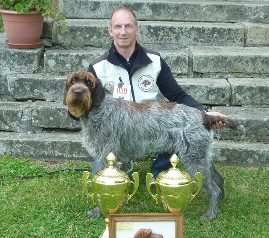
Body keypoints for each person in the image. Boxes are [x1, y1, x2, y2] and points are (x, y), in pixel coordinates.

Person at [87, 6, 227, 178]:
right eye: (118, 27)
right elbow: (88, 105)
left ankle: (160, 171)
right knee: (100, 177)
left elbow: (177, 95)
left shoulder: (155, 61)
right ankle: (123, 166)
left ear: (137, 29)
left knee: (171, 126)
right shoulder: (97, 67)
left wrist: (203, 114)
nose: (123, 32)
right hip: (117, 133)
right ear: (110, 31)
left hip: (151, 127)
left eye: (128, 26)